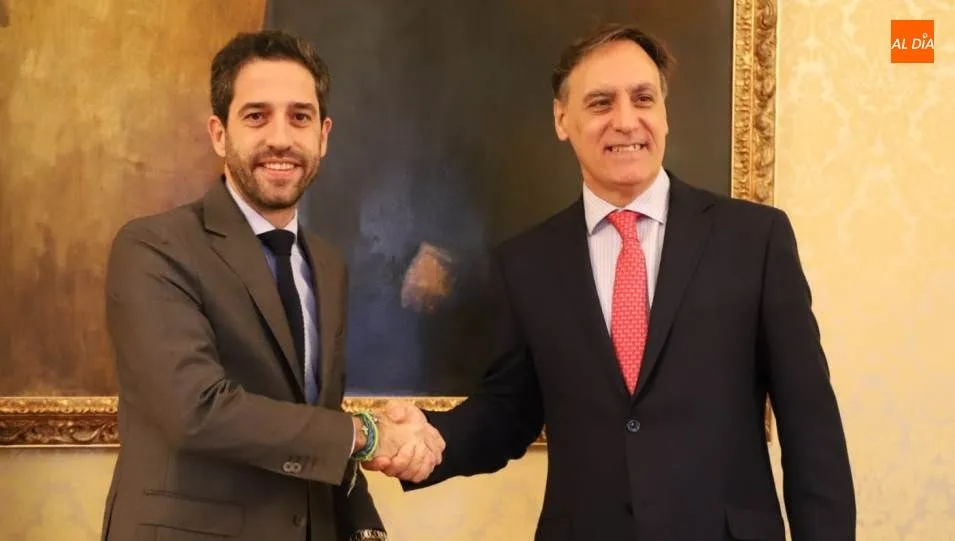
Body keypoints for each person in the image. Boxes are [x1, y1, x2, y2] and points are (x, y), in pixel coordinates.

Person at [367, 23, 856, 540]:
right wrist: (433, 439)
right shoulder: (527, 262)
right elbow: (508, 410)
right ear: (562, 119)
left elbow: (812, 429)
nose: (626, 121)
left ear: (664, 113)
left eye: (642, 98)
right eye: (601, 103)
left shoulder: (754, 239)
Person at [100, 30, 443, 541]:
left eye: (299, 117)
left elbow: (314, 422)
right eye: (256, 116)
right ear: (219, 133)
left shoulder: (327, 265)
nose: (281, 138)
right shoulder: (153, 246)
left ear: (323, 135)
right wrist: (368, 434)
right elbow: (197, 410)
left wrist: (364, 526)